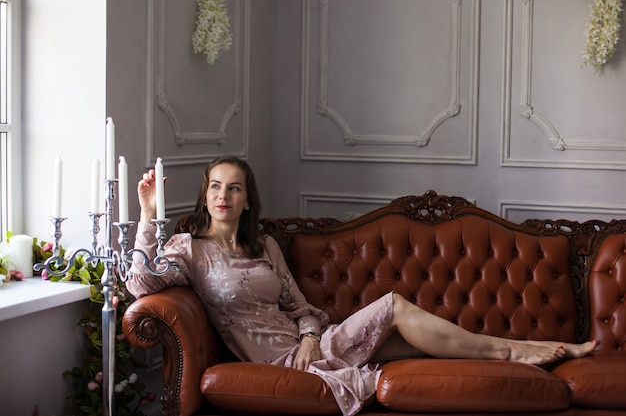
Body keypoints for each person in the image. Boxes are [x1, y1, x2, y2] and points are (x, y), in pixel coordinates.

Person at [127, 155, 597, 416]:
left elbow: (303, 307)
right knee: (393, 305)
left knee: (423, 342)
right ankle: (515, 352)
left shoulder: (266, 246)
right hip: (283, 361)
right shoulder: (189, 249)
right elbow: (140, 284)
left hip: (312, 345)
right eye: (214, 187)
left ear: (248, 200)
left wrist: (311, 335)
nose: (222, 196)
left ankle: (520, 352)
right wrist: (148, 215)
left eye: (233, 188)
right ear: (204, 195)